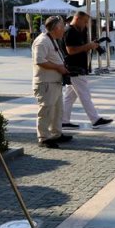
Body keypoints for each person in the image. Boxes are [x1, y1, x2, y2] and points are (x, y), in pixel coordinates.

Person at [61, 11, 113, 129]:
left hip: (78, 67)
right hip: (74, 68)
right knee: (84, 95)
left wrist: (90, 45)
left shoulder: (79, 31)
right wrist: (88, 46)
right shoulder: (70, 31)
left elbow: (80, 47)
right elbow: (70, 51)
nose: (86, 24)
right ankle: (95, 120)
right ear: (77, 19)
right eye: (84, 21)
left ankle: (63, 121)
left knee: (69, 97)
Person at [31, 16, 73, 149]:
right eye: (62, 27)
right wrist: (58, 67)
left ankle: (56, 134)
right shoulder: (42, 41)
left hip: (54, 82)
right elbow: (40, 61)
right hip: (46, 83)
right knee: (46, 110)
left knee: (57, 111)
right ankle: (43, 137)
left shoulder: (52, 40)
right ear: (56, 28)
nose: (64, 30)